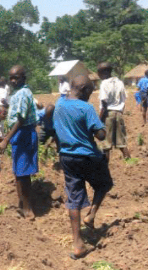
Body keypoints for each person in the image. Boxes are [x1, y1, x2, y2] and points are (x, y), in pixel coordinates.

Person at [53, 75, 111, 260]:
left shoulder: (59, 104)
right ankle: (91, 215)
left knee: (74, 197)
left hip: (67, 157)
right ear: (85, 90)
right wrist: (102, 125)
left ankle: (78, 243)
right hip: (87, 156)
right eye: (90, 92)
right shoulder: (86, 108)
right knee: (104, 184)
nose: (90, 95)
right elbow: (100, 135)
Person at [1, 65, 38, 219]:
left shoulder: (23, 93)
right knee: (19, 173)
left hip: (24, 134)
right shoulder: (18, 93)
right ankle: (22, 205)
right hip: (19, 134)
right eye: (11, 78)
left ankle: (28, 210)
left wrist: (6, 139)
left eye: (16, 77)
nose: (12, 80)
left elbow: (21, 119)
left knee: (23, 175)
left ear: (23, 78)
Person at [97, 62, 131, 160]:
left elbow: (104, 104)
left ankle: (105, 167)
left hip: (108, 114)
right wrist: (120, 112)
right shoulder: (120, 82)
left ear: (104, 72)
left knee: (106, 145)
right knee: (122, 143)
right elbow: (124, 100)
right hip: (119, 113)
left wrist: (99, 119)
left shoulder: (104, 84)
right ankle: (129, 161)